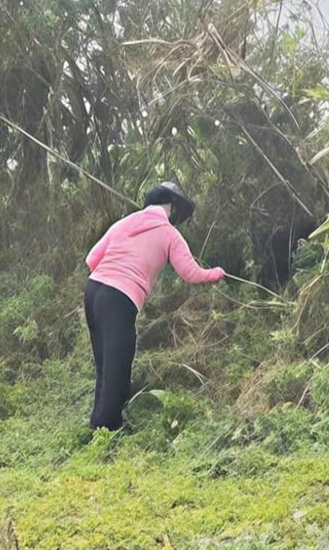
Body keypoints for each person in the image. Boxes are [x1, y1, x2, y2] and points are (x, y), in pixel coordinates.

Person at [82, 181, 225, 432]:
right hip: (120, 297)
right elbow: (191, 273)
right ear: (172, 206)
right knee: (118, 366)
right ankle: (107, 429)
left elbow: (92, 258)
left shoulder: (124, 223)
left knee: (104, 363)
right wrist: (216, 273)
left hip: (94, 291)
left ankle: (97, 425)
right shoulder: (169, 233)